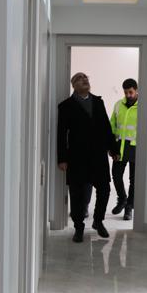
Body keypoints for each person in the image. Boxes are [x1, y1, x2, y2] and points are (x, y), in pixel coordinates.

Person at [57, 72, 118, 243]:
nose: (85, 80)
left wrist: (113, 149)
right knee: (77, 193)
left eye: (86, 78)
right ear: (73, 85)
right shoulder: (66, 106)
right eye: (80, 78)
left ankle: (98, 221)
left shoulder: (98, 102)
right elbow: (61, 134)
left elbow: (106, 127)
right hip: (77, 156)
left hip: (98, 154)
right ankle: (79, 227)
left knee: (104, 189)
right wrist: (62, 158)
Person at [110, 78, 139, 221]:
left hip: (136, 148)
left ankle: (129, 207)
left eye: (130, 92)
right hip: (120, 147)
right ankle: (122, 199)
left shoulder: (143, 106)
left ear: (136, 90)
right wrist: (111, 146)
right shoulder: (118, 105)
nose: (128, 95)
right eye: (126, 92)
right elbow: (112, 126)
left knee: (134, 180)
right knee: (116, 175)